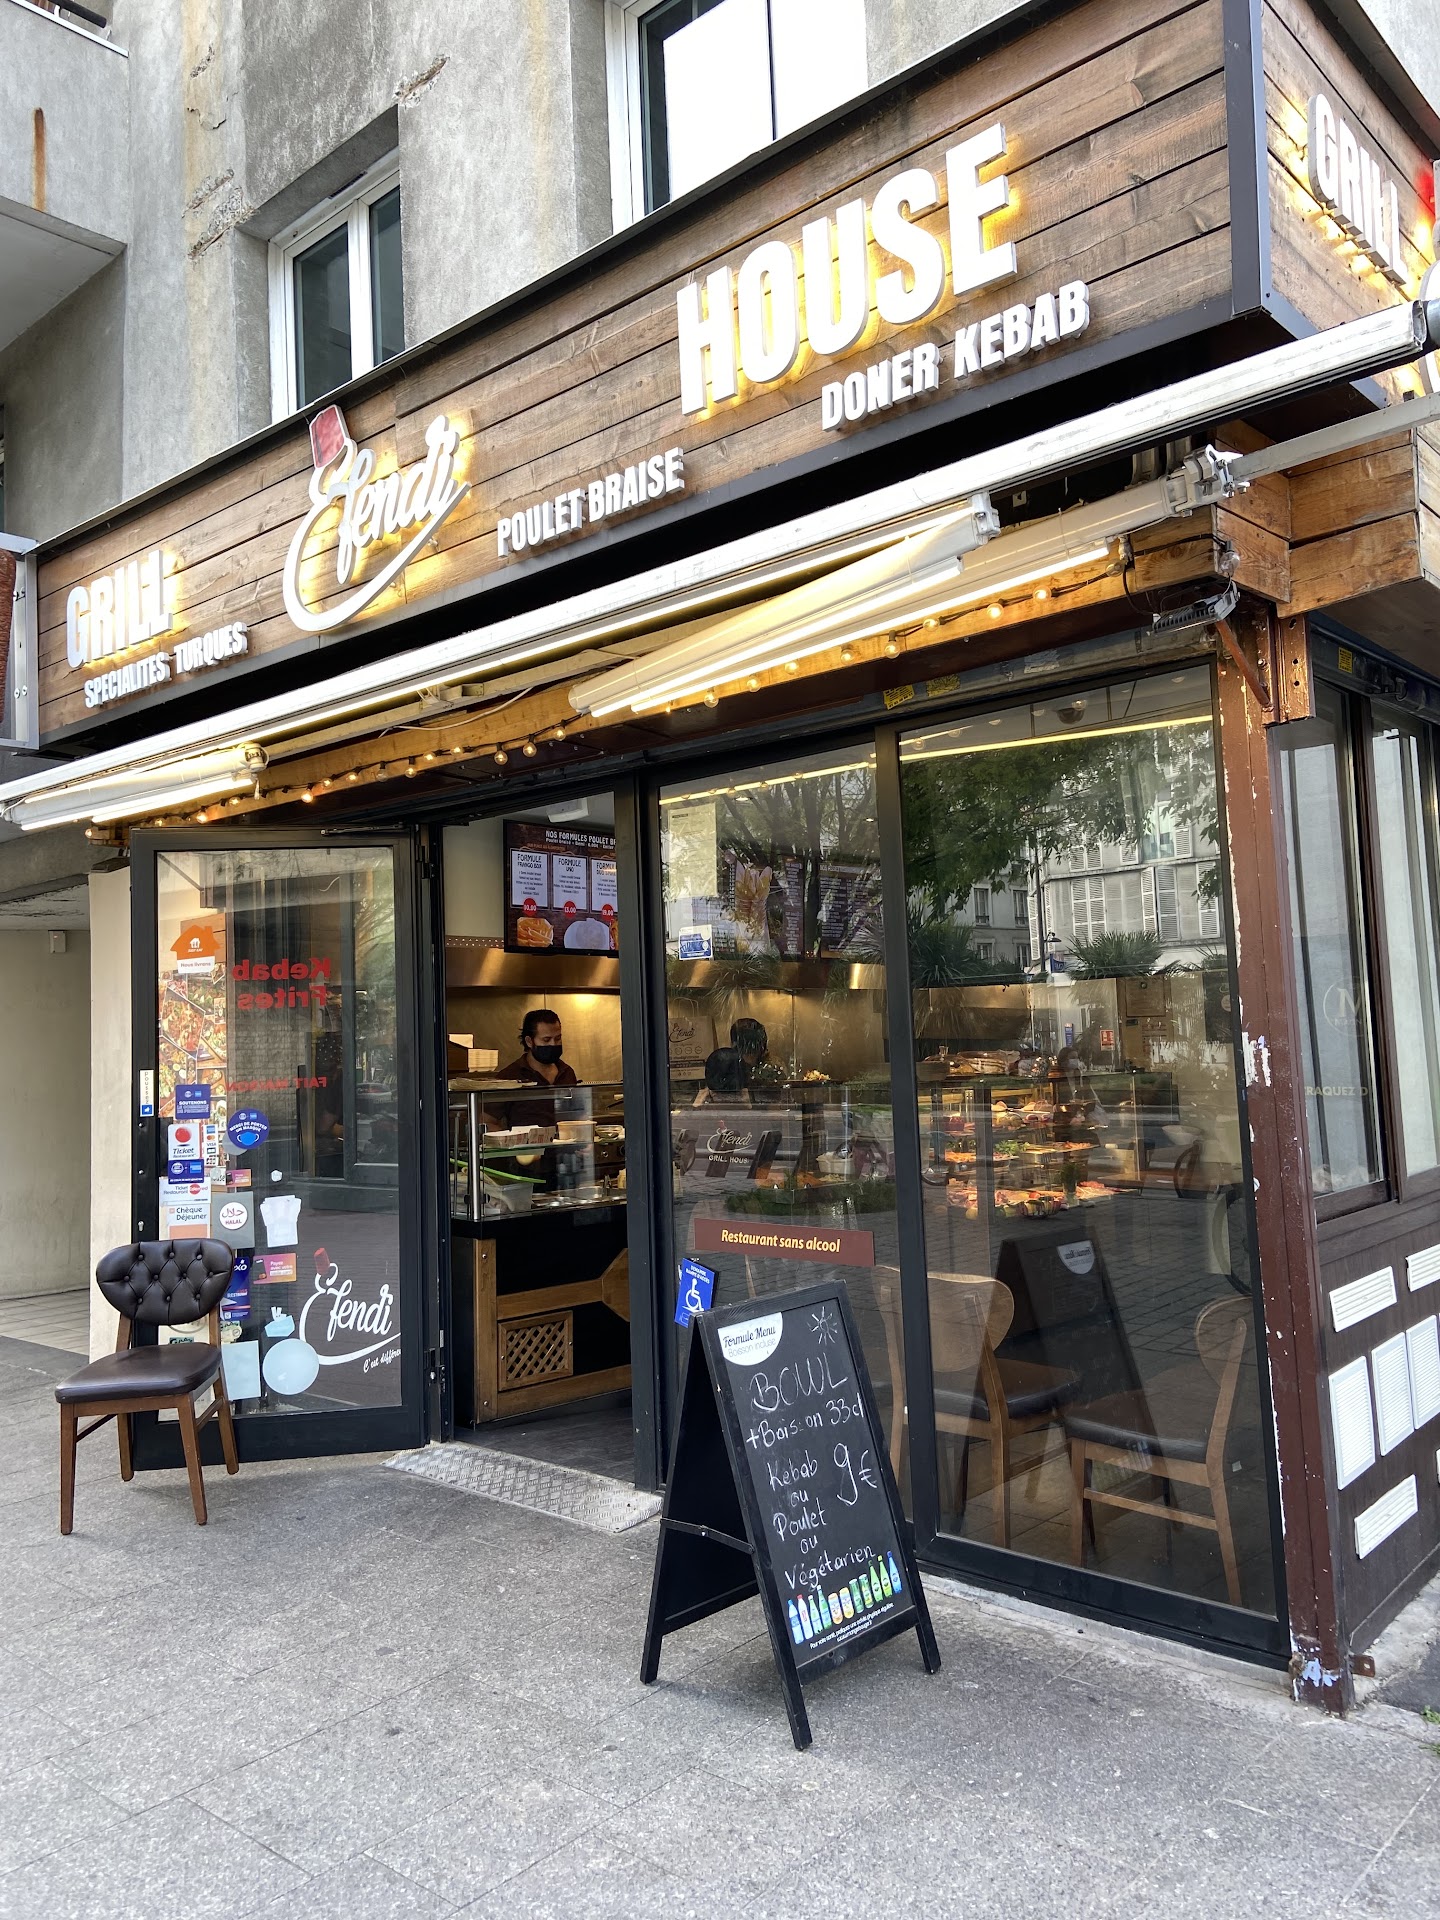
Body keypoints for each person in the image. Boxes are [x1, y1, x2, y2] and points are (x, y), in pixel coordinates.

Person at [499, 1008, 580, 1088]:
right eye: (546, 1040)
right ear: (529, 1041)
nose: (553, 1044)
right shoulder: (509, 1077)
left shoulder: (567, 1072)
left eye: (557, 1038)